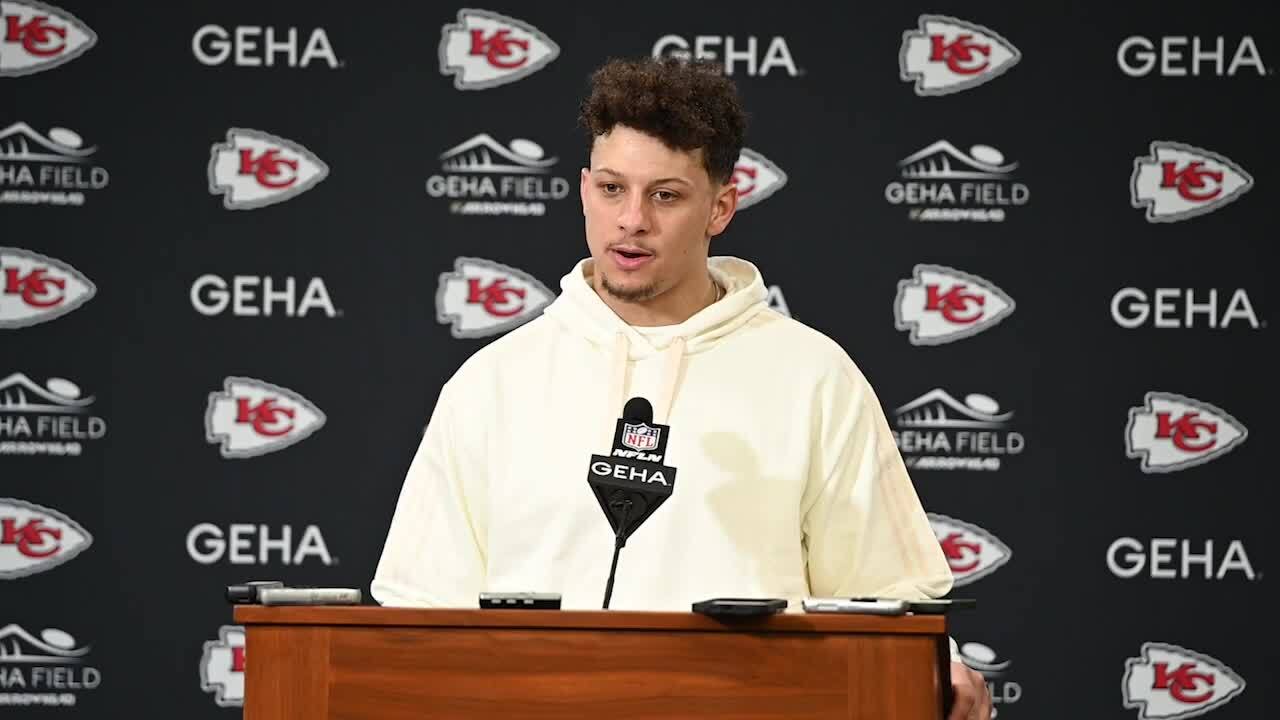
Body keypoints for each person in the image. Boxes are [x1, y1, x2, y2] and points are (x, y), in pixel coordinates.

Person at [371, 56, 991, 720]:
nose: (632, 220)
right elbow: (420, 615)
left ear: (720, 207)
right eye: (612, 189)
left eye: (665, 195)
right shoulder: (492, 382)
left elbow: (888, 598)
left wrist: (940, 671)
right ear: (583, 191)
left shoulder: (813, 376)